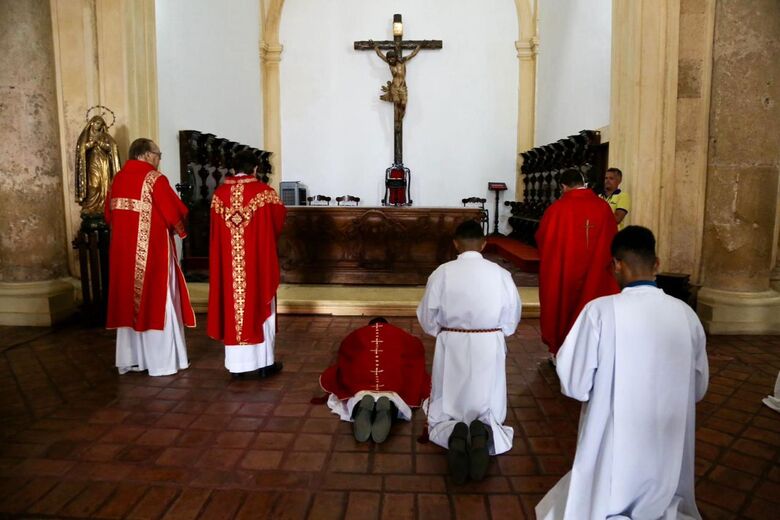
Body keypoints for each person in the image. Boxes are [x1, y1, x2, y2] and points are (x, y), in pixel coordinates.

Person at [536, 226, 709, 520]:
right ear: (656, 264)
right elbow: (699, 386)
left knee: (604, 480)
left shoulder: (599, 311)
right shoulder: (686, 315)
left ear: (616, 264)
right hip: (666, 430)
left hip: (611, 432)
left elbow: (575, 384)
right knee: (661, 479)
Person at [417, 220, 521, 484]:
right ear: (484, 243)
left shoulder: (442, 272)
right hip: (489, 340)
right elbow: (512, 315)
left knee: (447, 399)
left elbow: (428, 315)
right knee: (487, 394)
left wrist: (440, 332)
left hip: (452, 341)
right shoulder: (500, 274)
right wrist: (499, 333)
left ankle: (453, 431)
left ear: (455, 244)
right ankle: (483, 430)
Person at [105, 138, 195, 376]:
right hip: (152, 255)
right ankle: (161, 363)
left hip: (124, 256)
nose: (158, 159)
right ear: (146, 154)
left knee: (128, 303)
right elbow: (175, 212)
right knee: (157, 300)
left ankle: (133, 359)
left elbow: (108, 215)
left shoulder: (117, 180)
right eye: (158, 154)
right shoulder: (154, 179)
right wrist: (182, 228)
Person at [207, 150, 286, 379]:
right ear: (255, 169)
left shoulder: (219, 195)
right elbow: (279, 218)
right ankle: (264, 364)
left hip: (229, 268)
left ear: (233, 170)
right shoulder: (264, 194)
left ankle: (237, 367)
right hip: (257, 265)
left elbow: (214, 233)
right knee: (260, 303)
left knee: (234, 307)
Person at [535, 168, 619, 362]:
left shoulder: (556, 210)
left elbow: (542, 240)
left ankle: (560, 353)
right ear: (584, 182)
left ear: (563, 186)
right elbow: (613, 240)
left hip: (564, 274)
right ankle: (593, 355)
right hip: (596, 273)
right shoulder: (603, 207)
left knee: (562, 307)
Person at [319, 317, 430, 443]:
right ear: (387, 325)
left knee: (357, 392)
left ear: (369, 325)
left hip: (360, 380)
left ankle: (360, 406)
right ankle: (390, 406)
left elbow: (345, 353)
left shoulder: (357, 334)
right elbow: (416, 350)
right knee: (395, 393)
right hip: (391, 381)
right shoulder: (400, 334)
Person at [75, 114, 121, 218]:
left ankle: (103, 206)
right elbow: (81, 149)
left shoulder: (105, 136)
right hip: (92, 163)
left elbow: (111, 148)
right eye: (97, 123)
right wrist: (91, 143)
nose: (99, 126)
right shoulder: (86, 136)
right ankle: (90, 206)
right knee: (93, 185)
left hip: (103, 164)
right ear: (92, 123)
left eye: (100, 124)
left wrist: (100, 143)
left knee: (104, 184)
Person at [370, 40, 422, 122]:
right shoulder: (390, 64)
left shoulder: (402, 61)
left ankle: (400, 118)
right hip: (394, 87)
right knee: (397, 102)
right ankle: (397, 119)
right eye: (389, 58)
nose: (391, 60)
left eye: (392, 58)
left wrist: (419, 46)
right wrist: (375, 47)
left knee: (404, 104)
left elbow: (412, 55)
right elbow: (380, 55)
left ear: (395, 57)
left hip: (402, 87)